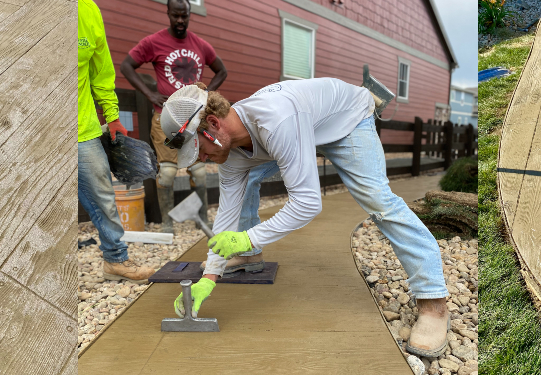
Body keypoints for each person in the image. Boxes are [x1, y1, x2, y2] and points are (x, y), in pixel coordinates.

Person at [160, 79, 452, 358]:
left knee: (378, 201)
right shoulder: (231, 150)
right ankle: (248, 256)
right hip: (301, 126)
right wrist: (211, 276)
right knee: (245, 183)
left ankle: (434, 302)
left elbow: (308, 204)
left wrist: (248, 235)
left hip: (347, 120)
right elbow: (227, 212)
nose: (200, 159)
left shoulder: (275, 120)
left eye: (198, 150)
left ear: (212, 125)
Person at [121, 0, 227, 233]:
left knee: (199, 173)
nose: (180, 21)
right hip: (165, 120)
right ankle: (167, 223)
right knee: (167, 174)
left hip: (195, 122)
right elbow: (127, 65)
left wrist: (207, 93)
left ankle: (203, 217)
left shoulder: (200, 44)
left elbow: (222, 70)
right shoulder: (153, 42)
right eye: (176, 15)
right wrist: (149, 93)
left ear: (189, 15)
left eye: (184, 16)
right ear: (168, 13)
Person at [78, 0, 155, 283]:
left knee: (104, 197)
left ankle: (116, 259)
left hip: (80, 131)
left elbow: (101, 73)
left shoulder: (88, 10)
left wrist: (113, 117)